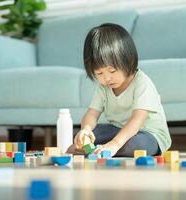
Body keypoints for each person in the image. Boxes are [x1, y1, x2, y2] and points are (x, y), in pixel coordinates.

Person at [69, 23, 171, 157]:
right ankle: (99, 149)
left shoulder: (142, 83)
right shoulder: (103, 86)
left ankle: (107, 149)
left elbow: (137, 120)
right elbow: (92, 114)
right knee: (93, 135)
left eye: (112, 70)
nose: (106, 78)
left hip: (149, 134)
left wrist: (115, 143)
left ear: (129, 61)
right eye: (99, 74)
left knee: (137, 145)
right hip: (118, 130)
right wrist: (86, 130)